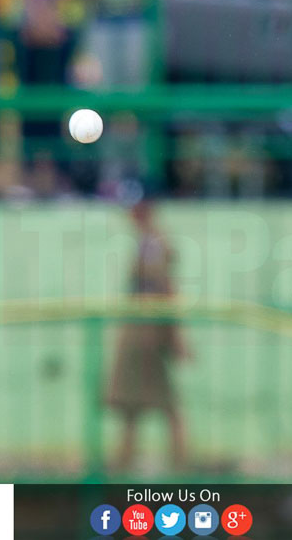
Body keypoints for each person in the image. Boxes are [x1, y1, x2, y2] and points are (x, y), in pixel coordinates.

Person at [106, 200, 190, 471]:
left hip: (146, 334)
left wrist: (175, 335)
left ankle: (179, 464)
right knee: (135, 405)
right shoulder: (149, 243)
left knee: (162, 405)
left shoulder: (153, 244)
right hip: (144, 331)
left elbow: (164, 288)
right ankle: (126, 462)